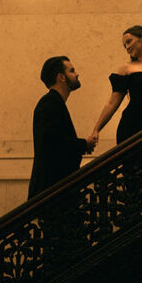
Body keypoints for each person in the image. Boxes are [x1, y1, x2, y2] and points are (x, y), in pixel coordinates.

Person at [28, 56, 97, 199]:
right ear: (62, 77)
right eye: (72, 71)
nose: (77, 74)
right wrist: (84, 144)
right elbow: (53, 144)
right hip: (53, 191)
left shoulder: (53, 102)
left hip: (55, 189)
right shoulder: (50, 103)